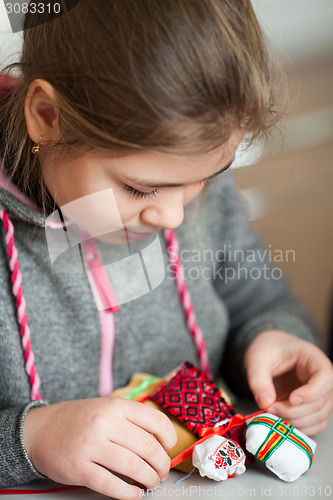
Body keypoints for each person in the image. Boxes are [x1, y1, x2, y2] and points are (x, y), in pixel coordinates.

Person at [0, 1, 332, 498]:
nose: (173, 216)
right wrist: (30, 439)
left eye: (205, 178)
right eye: (140, 189)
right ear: (47, 117)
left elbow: (263, 304)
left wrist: (275, 340)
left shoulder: (182, 176)